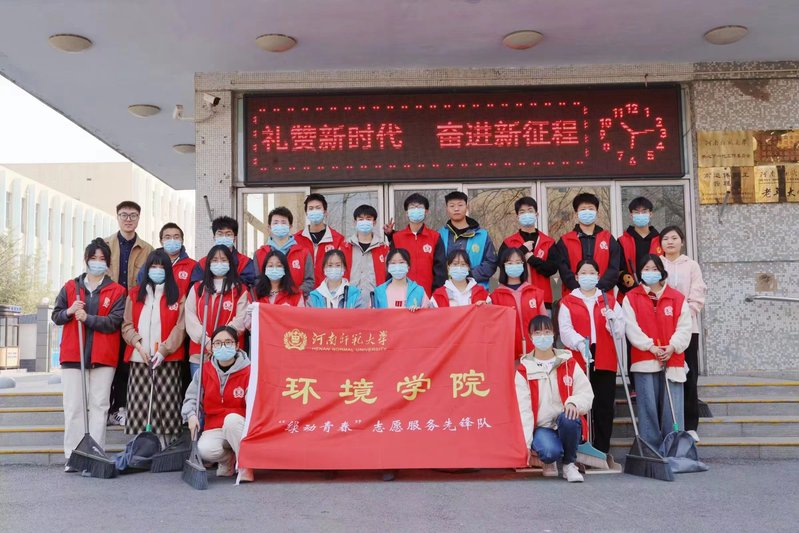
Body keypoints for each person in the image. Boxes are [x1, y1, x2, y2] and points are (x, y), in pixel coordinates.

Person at [52, 239, 126, 472]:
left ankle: (95, 454)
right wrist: (70, 311)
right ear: (86, 260)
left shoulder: (117, 291)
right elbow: (56, 316)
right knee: (74, 406)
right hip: (73, 356)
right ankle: (73, 455)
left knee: (99, 406)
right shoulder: (71, 287)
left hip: (103, 357)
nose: (97, 262)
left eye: (102, 259)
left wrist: (88, 318)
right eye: (93, 258)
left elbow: (114, 321)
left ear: (108, 263)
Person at [622, 254, 692, 449]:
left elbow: (685, 327)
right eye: (646, 269)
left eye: (654, 269)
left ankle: (675, 450)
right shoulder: (631, 297)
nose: (650, 273)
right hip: (644, 359)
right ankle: (651, 451)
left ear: (662, 271)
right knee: (648, 411)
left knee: (673, 411)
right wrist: (650, 346)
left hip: (673, 359)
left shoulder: (677, 297)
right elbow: (630, 327)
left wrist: (672, 346)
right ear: (640, 272)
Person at [557, 259, 625, 457]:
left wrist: (612, 321)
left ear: (598, 276)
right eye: (584, 273)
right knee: (580, 402)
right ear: (577, 277)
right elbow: (565, 330)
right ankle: (580, 447)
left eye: (592, 273)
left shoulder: (608, 300)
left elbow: (620, 331)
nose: (588, 276)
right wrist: (580, 344)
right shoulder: (568, 301)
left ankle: (602, 449)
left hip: (604, 357)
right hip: (580, 357)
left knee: (604, 404)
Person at [515, 315, 594, 482]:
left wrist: (573, 402)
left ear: (553, 334)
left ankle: (569, 464)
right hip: (542, 427)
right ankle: (549, 459)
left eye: (547, 332)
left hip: (565, 421)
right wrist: (525, 444)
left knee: (569, 417)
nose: (543, 336)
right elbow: (524, 410)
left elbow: (586, 393)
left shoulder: (568, 363)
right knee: (550, 452)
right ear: (530, 337)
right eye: (537, 333)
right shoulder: (524, 369)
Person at [121, 250, 186, 444]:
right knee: (141, 408)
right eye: (153, 266)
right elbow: (126, 325)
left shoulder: (177, 295)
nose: (157, 270)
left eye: (161, 267)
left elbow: (180, 327)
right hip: (140, 358)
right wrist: (138, 345)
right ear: (147, 269)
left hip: (167, 359)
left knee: (166, 407)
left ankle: (166, 448)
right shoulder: (135, 294)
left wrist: (164, 350)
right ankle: (141, 449)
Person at [182, 325, 253, 483]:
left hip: (239, 426)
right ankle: (228, 460)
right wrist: (191, 415)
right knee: (204, 450)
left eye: (228, 342)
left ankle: (245, 464)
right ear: (212, 347)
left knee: (231, 420)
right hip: (214, 426)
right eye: (218, 343)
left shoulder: (249, 371)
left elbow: (255, 404)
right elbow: (192, 397)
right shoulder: (204, 371)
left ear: (237, 345)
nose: (223, 347)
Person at [105, 201, 153, 426]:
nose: (128, 219)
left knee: (126, 362)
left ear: (138, 218)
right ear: (117, 217)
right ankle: (104, 408)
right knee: (108, 361)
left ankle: (120, 408)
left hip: (133, 311)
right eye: (124, 215)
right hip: (109, 310)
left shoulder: (147, 249)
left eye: (133, 215)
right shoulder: (105, 245)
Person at [660, 226, 707, 441]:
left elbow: (697, 295)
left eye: (674, 238)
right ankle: (666, 424)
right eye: (665, 238)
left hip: (688, 329)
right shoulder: (657, 264)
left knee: (689, 375)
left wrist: (682, 317)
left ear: (682, 241)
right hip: (661, 329)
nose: (670, 242)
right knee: (663, 376)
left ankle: (690, 425)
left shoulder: (691, 265)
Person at [185, 245, 249, 378]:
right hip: (200, 353)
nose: (219, 263)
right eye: (215, 260)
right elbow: (190, 317)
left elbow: (241, 318)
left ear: (230, 263)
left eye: (223, 260)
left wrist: (221, 341)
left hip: (230, 352)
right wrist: (207, 341)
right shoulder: (198, 288)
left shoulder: (240, 290)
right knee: (199, 388)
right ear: (208, 263)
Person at [499, 197, 560, 314]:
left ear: (537, 214)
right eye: (522, 212)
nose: (526, 214)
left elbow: (552, 268)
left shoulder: (548, 242)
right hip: (515, 299)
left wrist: (532, 259)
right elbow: (501, 265)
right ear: (517, 216)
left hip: (543, 300)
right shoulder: (509, 242)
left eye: (530, 211)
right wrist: (522, 251)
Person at [383, 193, 446, 296]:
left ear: (426, 211)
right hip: (401, 296)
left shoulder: (435, 237)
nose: (416, 210)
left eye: (419, 207)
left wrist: (436, 295)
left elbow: (440, 271)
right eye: (412, 207)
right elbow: (391, 267)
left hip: (427, 296)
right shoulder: (397, 238)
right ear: (406, 213)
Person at [556, 192, 620, 293]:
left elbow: (614, 269)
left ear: (597, 213)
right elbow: (564, 271)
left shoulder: (608, 238)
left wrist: (597, 290)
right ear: (576, 214)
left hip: (603, 296)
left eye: (591, 209)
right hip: (573, 296)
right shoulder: (565, 240)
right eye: (583, 209)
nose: (587, 212)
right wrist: (579, 291)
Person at [490, 247, 547, 359]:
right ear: (503, 266)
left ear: (523, 265)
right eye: (510, 263)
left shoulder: (535, 292)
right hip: (509, 353)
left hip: (535, 352)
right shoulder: (495, 297)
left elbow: (544, 323)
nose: (514, 265)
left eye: (518, 262)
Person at [438, 191, 497, 288]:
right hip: (447, 290)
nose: (456, 209)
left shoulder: (482, 235)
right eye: (452, 206)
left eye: (460, 205)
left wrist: (469, 275)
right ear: (446, 209)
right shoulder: (440, 235)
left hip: (476, 290)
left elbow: (491, 263)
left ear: (467, 207)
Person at [253, 207, 314, 297]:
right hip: (268, 302)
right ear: (269, 227)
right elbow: (257, 281)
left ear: (290, 226)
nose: (280, 225)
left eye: (283, 222)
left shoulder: (304, 253)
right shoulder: (259, 254)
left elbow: (309, 281)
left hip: (296, 303)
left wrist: (294, 296)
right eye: (276, 222)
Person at [343, 204, 390, 308]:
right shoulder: (345, 247)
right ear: (355, 222)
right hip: (350, 304)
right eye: (361, 219)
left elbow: (389, 277)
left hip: (376, 304)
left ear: (374, 222)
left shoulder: (384, 249)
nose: (364, 222)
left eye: (368, 219)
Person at [294, 193, 347, 284]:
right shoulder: (296, 239)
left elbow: (344, 268)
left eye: (318, 208)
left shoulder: (338, 239)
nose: (314, 211)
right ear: (306, 213)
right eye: (311, 208)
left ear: (325, 212)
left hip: (328, 290)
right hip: (303, 290)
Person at [246, 250, 305, 329]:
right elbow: (247, 326)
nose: (274, 269)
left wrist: (290, 314)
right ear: (265, 269)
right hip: (263, 336)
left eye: (279, 266)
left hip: (286, 335)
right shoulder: (254, 293)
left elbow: (302, 323)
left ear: (285, 269)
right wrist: (251, 316)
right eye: (270, 266)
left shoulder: (296, 294)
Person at [191, 216, 256, 287]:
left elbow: (249, 285)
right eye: (220, 234)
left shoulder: (245, 263)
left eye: (228, 234)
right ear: (214, 237)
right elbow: (196, 287)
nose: (224, 237)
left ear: (235, 238)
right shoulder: (203, 263)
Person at [136, 223, 197, 298]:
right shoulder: (151, 263)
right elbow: (140, 286)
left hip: (181, 304)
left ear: (182, 241)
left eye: (176, 237)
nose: (172, 240)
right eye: (167, 237)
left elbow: (196, 293)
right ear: (161, 241)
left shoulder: (193, 265)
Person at [618, 197, 663, 295]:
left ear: (650, 214)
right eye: (636, 212)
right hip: (629, 294)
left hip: (657, 293)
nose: (640, 215)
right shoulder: (622, 241)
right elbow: (618, 269)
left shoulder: (660, 240)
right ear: (631, 215)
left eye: (644, 212)